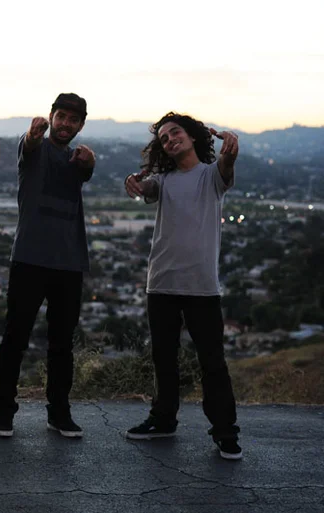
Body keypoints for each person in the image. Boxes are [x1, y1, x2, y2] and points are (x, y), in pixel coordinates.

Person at [123, 112, 242, 460]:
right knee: (164, 358)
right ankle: (163, 420)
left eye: (176, 133)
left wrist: (230, 150)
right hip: (160, 282)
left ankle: (225, 431)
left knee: (212, 362)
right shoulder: (163, 179)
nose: (170, 139)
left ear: (192, 137)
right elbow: (145, 188)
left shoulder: (211, 176)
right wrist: (135, 180)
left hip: (202, 286)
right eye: (163, 138)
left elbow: (226, 165)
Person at [0, 93, 95, 438]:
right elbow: (28, 145)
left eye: (73, 119)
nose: (65, 123)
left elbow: (86, 170)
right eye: (60, 116)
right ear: (51, 117)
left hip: (69, 263)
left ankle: (59, 413)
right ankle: (3, 413)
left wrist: (90, 161)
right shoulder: (34, 151)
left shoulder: (78, 159)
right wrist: (33, 134)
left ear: (80, 125)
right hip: (30, 259)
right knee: (15, 338)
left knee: (61, 345)